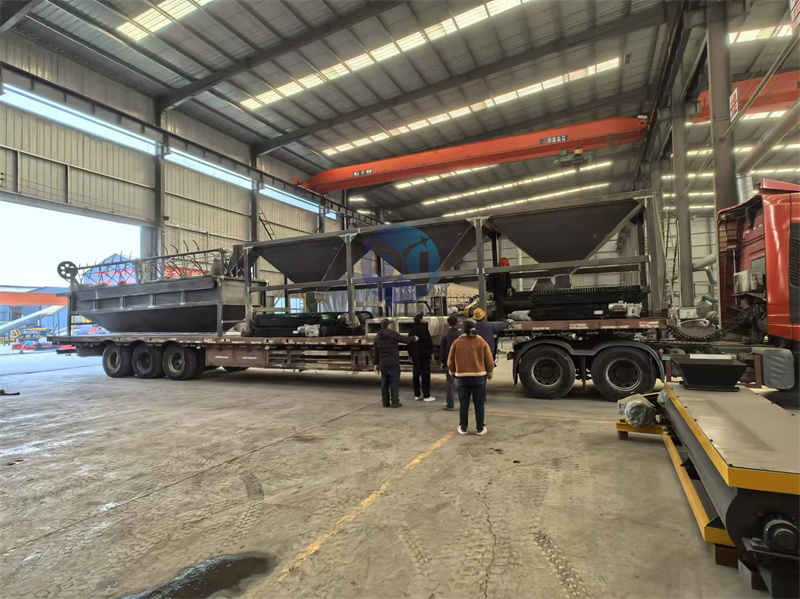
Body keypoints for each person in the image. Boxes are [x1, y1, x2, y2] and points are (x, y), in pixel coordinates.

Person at [447, 321, 494, 435]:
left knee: (464, 404)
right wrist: (490, 371)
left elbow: (450, 360)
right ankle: (480, 428)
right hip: (479, 377)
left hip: (463, 378)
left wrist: (452, 371)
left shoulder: (457, 342)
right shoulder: (481, 341)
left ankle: (463, 428)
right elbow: (489, 359)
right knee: (479, 404)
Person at [373, 319, 415, 408]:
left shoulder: (377, 337)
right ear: (388, 325)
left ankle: (385, 402)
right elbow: (404, 340)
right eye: (390, 324)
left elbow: (375, 352)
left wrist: (376, 363)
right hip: (393, 363)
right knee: (394, 383)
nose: (391, 325)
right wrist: (413, 338)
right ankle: (395, 402)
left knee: (384, 383)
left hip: (383, 364)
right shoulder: (393, 334)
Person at [409, 313, 435, 402]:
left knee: (416, 375)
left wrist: (411, 355)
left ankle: (416, 395)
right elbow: (428, 342)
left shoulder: (412, 330)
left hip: (415, 355)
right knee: (425, 376)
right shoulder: (424, 329)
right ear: (420, 320)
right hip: (424, 355)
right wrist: (431, 353)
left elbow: (409, 344)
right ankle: (426, 396)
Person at [439, 315, 461, 411]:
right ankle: (464, 404)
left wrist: (442, 362)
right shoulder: (461, 336)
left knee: (450, 384)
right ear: (457, 323)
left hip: (450, 363)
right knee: (462, 384)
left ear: (448, 324)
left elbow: (443, 350)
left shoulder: (446, 335)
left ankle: (450, 405)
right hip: (460, 362)